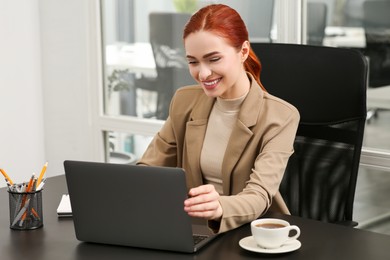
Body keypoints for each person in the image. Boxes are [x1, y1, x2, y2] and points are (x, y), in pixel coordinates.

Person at [137, 4, 300, 234]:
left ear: (243, 51)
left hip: (251, 233)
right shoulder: (185, 101)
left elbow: (259, 195)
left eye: (213, 59)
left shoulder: (280, 116)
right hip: (193, 230)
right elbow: (149, 167)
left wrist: (219, 206)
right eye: (193, 62)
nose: (203, 74)